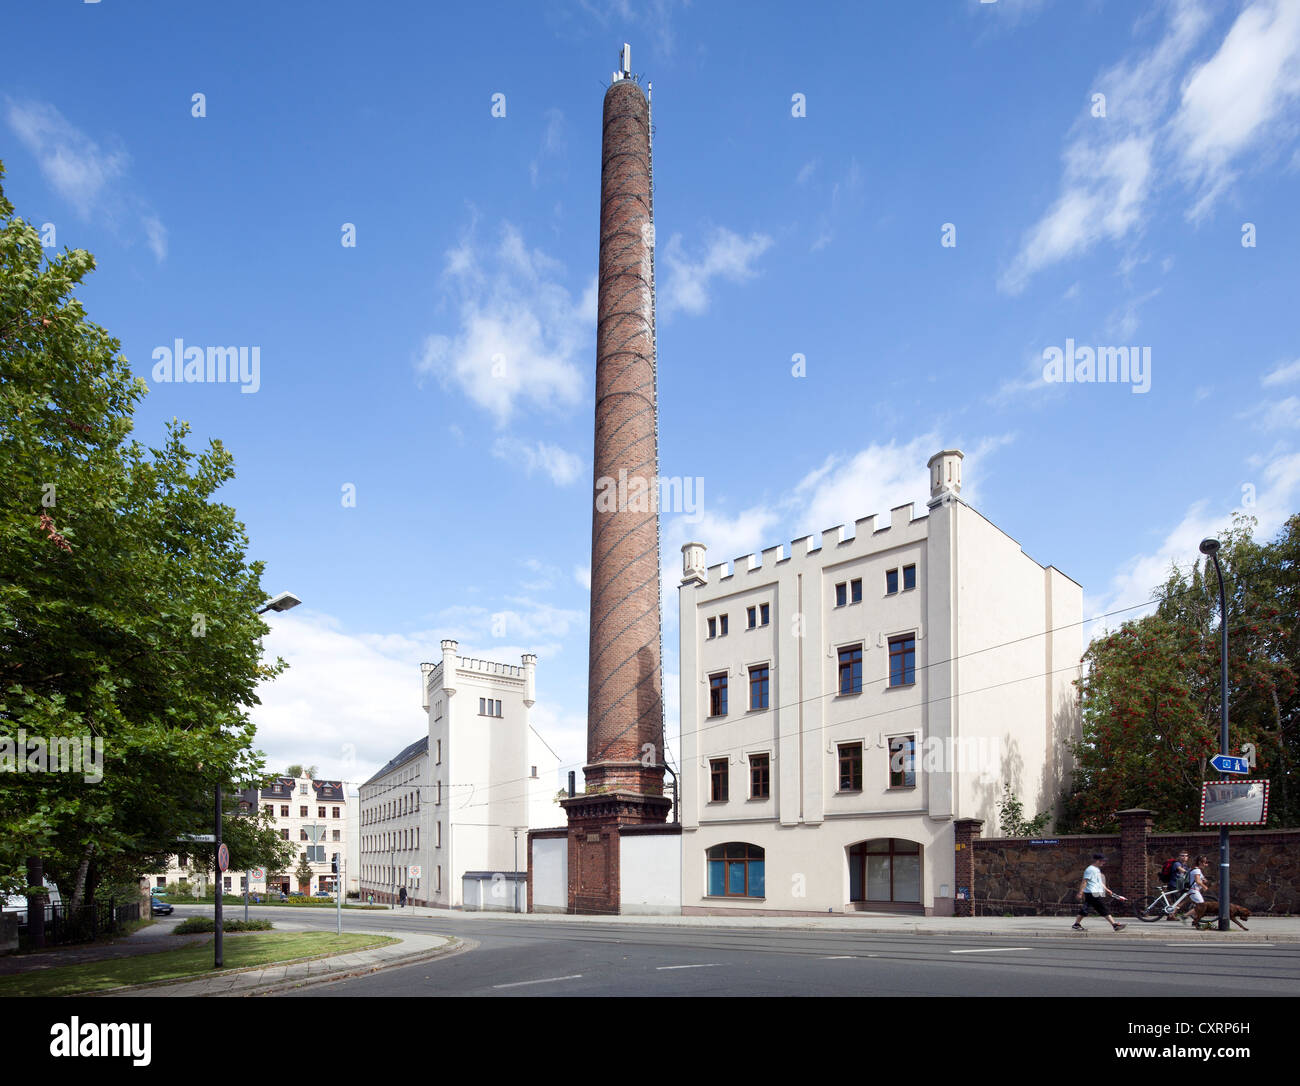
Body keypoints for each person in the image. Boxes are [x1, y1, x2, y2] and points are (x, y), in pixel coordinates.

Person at [1072, 853, 1126, 931]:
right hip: (1092, 892)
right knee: (1102, 908)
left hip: (1094, 892)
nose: (1104, 862)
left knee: (1086, 908)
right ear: (1097, 861)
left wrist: (1107, 890)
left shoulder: (1096, 869)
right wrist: (1080, 892)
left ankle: (1076, 924)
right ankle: (1115, 925)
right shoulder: (1090, 869)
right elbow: (1084, 881)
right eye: (1103, 861)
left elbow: (1099, 882)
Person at [1165, 849, 1190, 920]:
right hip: (1174, 884)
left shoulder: (1185, 865)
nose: (1184, 857)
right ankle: (1171, 916)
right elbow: (1181, 870)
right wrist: (1189, 873)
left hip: (1180, 885)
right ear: (1179, 857)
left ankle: (1171, 915)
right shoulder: (1177, 863)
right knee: (1176, 901)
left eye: (1186, 856)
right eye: (1182, 856)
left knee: (1181, 900)